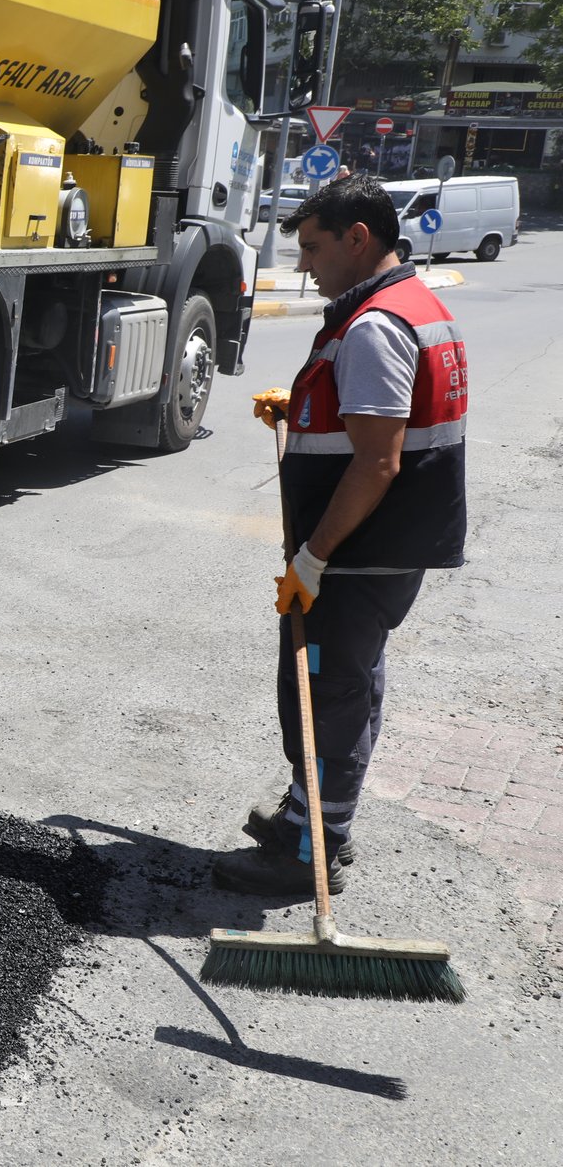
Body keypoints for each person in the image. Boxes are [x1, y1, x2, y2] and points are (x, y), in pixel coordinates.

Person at [216, 175, 468, 895]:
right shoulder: (413, 305)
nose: (304, 266)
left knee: (325, 690)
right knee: (351, 680)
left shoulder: (376, 326)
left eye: (315, 247)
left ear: (359, 239)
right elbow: (384, 419)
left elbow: (379, 458)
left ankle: (309, 849)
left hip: (359, 551)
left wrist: (313, 558)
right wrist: (299, 409)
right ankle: (317, 815)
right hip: (388, 546)